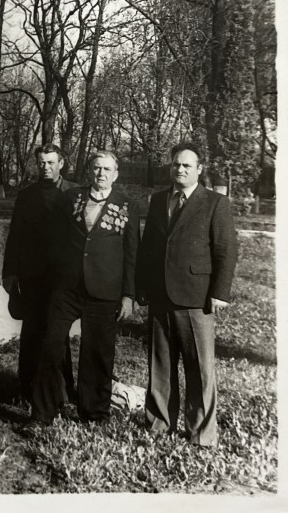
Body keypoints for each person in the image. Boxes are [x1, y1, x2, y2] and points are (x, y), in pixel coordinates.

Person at [136, 142, 238, 447]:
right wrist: (142, 287)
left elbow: (226, 250)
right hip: (160, 296)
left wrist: (219, 292)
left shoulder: (215, 203)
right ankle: (158, 424)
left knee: (200, 369)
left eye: (186, 166)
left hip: (196, 298)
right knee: (160, 365)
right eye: (176, 165)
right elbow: (148, 249)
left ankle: (201, 434)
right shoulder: (157, 201)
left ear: (199, 169)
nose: (180, 170)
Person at [30, 150, 140, 425]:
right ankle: (43, 411)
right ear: (88, 172)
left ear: (116, 174)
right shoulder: (71, 198)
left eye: (106, 169)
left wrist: (128, 294)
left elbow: (131, 254)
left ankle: (94, 413)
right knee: (50, 346)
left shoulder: (127, 205)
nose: (101, 173)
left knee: (98, 353)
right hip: (67, 288)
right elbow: (55, 241)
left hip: (104, 291)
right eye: (96, 168)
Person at [2, 144, 76, 402]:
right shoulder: (26, 195)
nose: (46, 167)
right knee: (32, 333)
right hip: (32, 277)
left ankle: (63, 391)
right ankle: (27, 389)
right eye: (42, 163)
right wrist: (10, 275)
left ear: (61, 164)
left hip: (62, 278)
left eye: (51, 162)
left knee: (58, 335)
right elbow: (15, 238)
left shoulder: (74, 193)